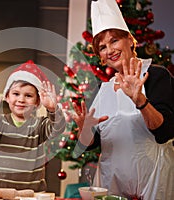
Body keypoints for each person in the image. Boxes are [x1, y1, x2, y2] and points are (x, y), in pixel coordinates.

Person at [72, 0, 174, 199]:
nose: (109, 50)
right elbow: (92, 143)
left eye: (114, 41)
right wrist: (84, 132)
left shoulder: (156, 76)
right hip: (111, 185)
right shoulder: (103, 89)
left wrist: (141, 102)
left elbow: (165, 132)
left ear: (129, 40)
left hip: (154, 184)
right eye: (102, 47)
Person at [0, 60, 66, 192]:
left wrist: (52, 109)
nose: (21, 100)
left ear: (37, 101)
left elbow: (58, 128)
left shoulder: (39, 125)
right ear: (7, 96)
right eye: (16, 94)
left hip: (30, 193)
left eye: (28, 96)